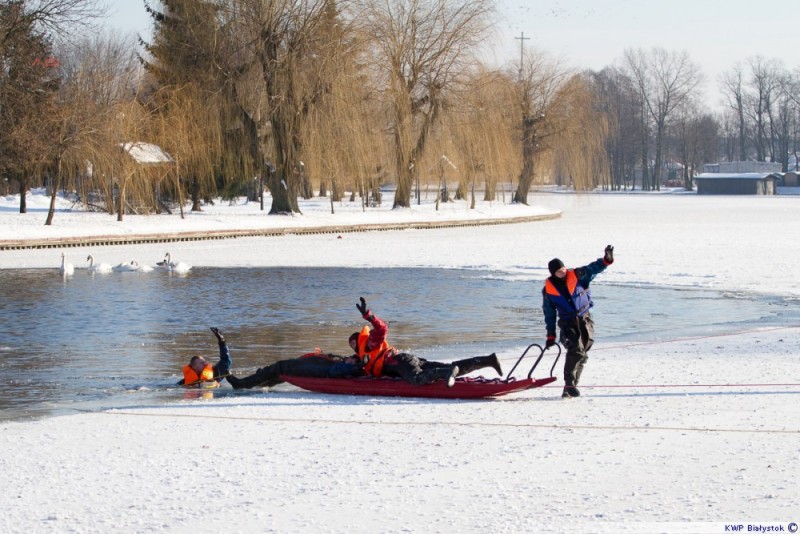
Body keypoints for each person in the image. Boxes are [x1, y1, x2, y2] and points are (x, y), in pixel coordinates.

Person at [350, 297, 503, 387]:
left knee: (417, 379)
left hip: (400, 362)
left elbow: (382, 329)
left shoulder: (370, 343)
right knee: (452, 367)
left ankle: (447, 373)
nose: (352, 347)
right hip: (407, 360)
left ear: (359, 339)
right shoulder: (363, 356)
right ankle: (488, 360)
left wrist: (369, 316)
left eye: (353, 343)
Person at [542, 245, 614, 398]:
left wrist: (607, 260)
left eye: (562, 269)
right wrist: (550, 335)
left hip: (585, 320)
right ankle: (569, 383)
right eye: (558, 271)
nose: (562, 272)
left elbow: (593, 268)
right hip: (568, 323)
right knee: (576, 350)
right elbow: (549, 314)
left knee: (583, 354)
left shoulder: (578, 275)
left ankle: (570, 387)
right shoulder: (548, 290)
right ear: (553, 273)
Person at [227, 349, 364, 389]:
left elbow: (334, 372)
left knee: (279, 368)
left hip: (309, 370)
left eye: (352, 359)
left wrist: (353, 365)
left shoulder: (346, 367)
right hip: (307, 366)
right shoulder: (341, 363)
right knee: (276, 372)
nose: (349, 358)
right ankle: (261, 381)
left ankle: (240, 384)